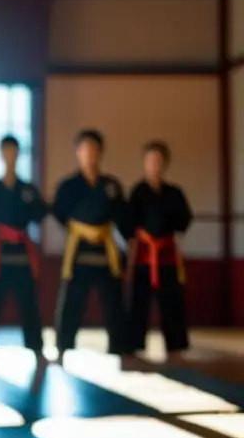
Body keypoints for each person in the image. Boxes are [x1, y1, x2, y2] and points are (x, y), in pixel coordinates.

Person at [52, 129, 128, 364]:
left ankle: (119, 348)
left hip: (106, 251)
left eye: (93, 149)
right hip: (79, 252)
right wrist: (81, 229)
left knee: (114, 302)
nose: (89, 154)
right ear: (77, 152)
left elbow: (122, 215)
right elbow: (59, 213)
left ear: (101, 152)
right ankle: (63, 348)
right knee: (71, 304)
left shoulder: (111, 185)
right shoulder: (68, 186)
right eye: (84, 149)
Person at [0, 135, 47, 364]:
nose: (10, 156)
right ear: (1, 154)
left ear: (18, 154)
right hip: (0, 252)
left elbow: (41, 212)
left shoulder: (28, 190)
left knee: (29, 303)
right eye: (6, 151)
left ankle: (36, 348)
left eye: (14, 151)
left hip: (23, 253)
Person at [124, 141, 193, 363]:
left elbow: (184, 221)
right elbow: (128, 225)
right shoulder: (137, 192)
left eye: (159, 161)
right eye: (151, 160)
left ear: (165, 164)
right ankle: (134, 345)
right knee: (139, 302)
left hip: (166, 256)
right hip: (144, 255)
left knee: (172, 302)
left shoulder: (174, 193)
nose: (155, 165)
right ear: (144, 164)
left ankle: (175, 346)